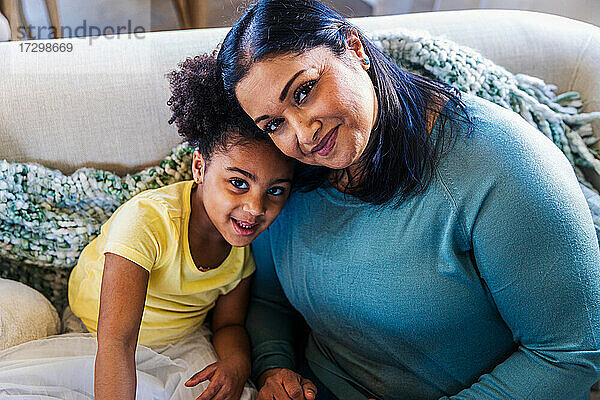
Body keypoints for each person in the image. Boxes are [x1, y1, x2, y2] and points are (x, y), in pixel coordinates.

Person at [215, 0, 600, 399]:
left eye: (304, 91)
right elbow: (267, 299)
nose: (303, 134)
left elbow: (570, 353)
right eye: (275, 123)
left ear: (354, 48)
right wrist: (274, 367)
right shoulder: (281, 173)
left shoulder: (501, 165)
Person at [67, 53, 295, 399]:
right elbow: (116, 341)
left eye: (275, 191)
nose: (255, 208)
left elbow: (229, 324)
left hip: (182, 342)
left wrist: (236, 364)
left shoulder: (243, 247)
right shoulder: (147, 222)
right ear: (200, 168)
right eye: (238, 183)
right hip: (99, 336)